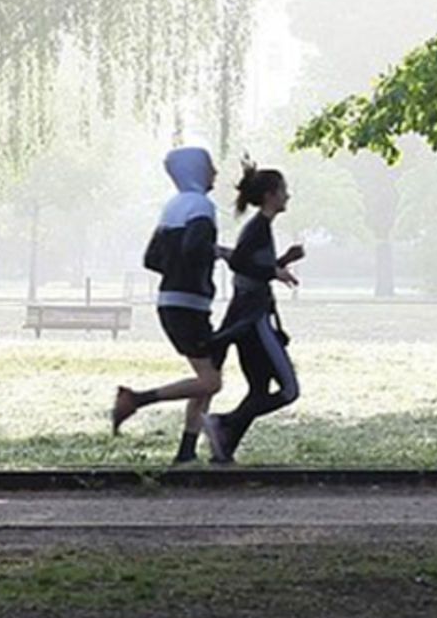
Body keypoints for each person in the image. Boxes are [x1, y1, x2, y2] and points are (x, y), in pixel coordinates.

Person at [111, 145, 226, 464]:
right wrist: (205, 264)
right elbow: (195, 249)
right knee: (210, 381)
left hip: (173, 301)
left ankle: (186, 452)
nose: (215, 172)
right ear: (197, 171)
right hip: (189, 304)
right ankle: (136, 399)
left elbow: (152, 259)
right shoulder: (202, 206)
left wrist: (191, 264)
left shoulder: (173, 207)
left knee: (205, 381)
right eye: (210, 166)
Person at [204, 162, 304, 463]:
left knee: (259, 388)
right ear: (271, 195)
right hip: (254, 319)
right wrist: (276, 270)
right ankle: (222, 423)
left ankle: (224, 448)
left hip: (249, 318)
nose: (288, 196)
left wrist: (282, 262)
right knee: (288, 390)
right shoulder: (258, 227)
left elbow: (250, 265)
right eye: (284, 190)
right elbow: (240, 263)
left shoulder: (260, 228)